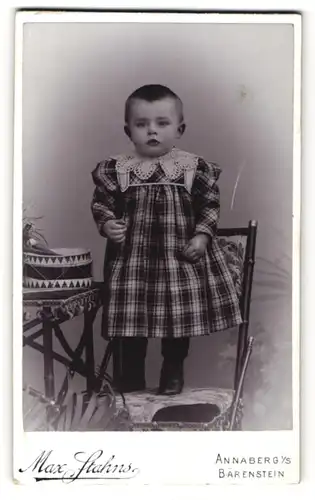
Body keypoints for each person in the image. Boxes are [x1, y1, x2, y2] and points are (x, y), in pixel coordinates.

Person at [91, 84, 242, 396]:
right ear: (128, 130)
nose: (152, 132)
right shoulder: (118, 168)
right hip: (132, 260)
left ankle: (173, 370)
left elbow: (209, 206)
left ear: (179, 128)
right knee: (130, 318)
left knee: (177, 318)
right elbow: (101, 202)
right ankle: (130, 377)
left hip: (177, 259)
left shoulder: (191, 167)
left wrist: (202, 235)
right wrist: (107, 223)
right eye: (142, 124)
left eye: (162, 124)